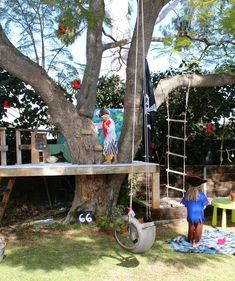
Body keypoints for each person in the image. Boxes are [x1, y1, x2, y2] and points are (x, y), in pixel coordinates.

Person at [181, 175, 209, 247]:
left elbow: (185, 204)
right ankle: (196, 242)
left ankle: (190, 240)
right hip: (199, 214)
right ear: (199, 186)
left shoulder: (187, 195)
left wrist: (190, 206)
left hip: (190, 214)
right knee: (198, 227)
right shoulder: (202, 195)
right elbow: (205, 205)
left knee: (191, 227)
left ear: (190, 186)